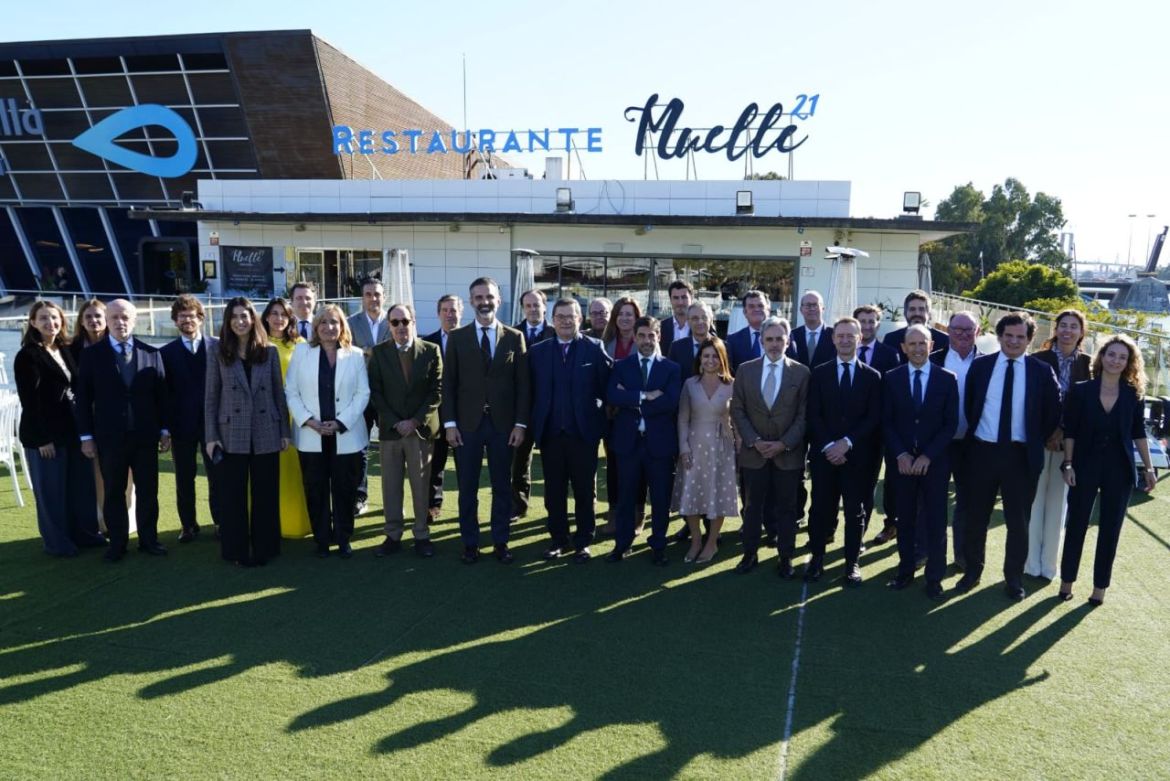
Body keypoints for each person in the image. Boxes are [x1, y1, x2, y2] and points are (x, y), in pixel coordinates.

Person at [957, 312, 1061, 601]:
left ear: (1029, 340)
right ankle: (972, 572)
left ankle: (1013, 579)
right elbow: (971, 406)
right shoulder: (980, 367)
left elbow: (1053, 410)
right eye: (1009, 336)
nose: (1014, 341)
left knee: (1018, 522)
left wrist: (1034, 438)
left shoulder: (1041, 371)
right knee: (976, 518)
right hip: (982, 452)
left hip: (1021, 456)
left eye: (1020, 337)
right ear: (1000, 337)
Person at [1058, 335, 1158, 606]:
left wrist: (1148, 468)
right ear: (1101, 357)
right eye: (1111, 354)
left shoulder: (1134, 395)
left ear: (1129, 363)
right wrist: (1068, 464)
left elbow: (1138, 434)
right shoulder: (1081, 390)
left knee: (1110, 530)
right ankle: (1067, 581)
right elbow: (1071, 431)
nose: (1116, 360)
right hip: (1083, 465)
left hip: (1120, 470)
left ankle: (1099, 588)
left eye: (1122, 357)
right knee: (1077, 524)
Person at [442, 277, 529, 564]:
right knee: (467, 487)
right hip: (467, 425)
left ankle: (501, 542)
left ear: (498, 300)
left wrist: (520, 424)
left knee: (502, 486)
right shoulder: (456, 338)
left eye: (489, 297)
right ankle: (470, 543)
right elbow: (449, 385)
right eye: (478, 297)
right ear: (471, 302)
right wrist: (450, 424)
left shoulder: (515, 337)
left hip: (504, 427)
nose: (484, 302)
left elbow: (523, 385)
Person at [74, 299, 170, 562]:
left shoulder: (152, 353)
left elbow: (162, 397)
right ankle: (117, 543)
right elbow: (83, 399)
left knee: (148, 490)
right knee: (114, 491)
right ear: (107, 320)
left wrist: (164, 430)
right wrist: (86, 437)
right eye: (114, 317)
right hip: (109, 438)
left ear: (134, 319)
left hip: (145, 437)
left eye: (125, 317)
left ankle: (149, 540)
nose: (120, 322)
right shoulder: (92, 356)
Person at [205, 297, 291, 567]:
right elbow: (211, 397)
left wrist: (284, 431)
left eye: (245, 316)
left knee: (266, 494)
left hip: (266, 430)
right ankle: (236, 550)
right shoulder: (218, 352)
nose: (240, 321)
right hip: (231, 433)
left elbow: (279, 394)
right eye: (234, 317)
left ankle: (265, 548)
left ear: (253, 319)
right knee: (233, 496)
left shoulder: (269, 352)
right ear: (228, 322)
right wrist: (210, 436)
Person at [15, 301, 104, 557]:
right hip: (46, 436)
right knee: (52, 492)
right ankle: (57, 542)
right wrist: (43, 439)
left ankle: (86, 535)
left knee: (80, 487)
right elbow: (29, 401)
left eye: (54, 318)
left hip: (73, 432)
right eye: (43, 318)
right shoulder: (28, 355)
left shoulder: (65, 349)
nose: (49, 323)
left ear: (62, 321)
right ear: (33, 323)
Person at [529, 299, 612, 562]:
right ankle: (558, 539)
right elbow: (530, 392)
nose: (566, 321)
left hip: (583, 435)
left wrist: (598, 422)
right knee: (554, 491)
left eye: (571, 316)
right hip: (551, 435)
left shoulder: (594, 348)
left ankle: (583, 541)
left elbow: (607, 388)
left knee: (584, 490)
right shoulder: (537, 352)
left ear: (580, 319)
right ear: (552, 320)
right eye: (561, 316)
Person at [285, 304, 370, 559]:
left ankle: (344, 538)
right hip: (312, 434)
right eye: (323, 323)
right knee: (316, 489)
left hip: (346, 435)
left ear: (342, 326)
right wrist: (308, 420)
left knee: (345, 490)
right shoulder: (302, 352)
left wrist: (341, 422)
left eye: (334, 322)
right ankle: (322, 540)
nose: (328, 328)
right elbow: (291, 391)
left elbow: (362, 393)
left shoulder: (354, 355)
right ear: (315, 327)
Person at [883, 325, 959, 600]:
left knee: (936, 521)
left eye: (922, 343)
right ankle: (905, 572)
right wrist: (901, 454)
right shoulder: (891, 378)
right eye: (911, 344)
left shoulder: (947, 379)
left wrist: (928, 455)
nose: (917, 348)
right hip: (902, 464)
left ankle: (934, 579)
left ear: (932, 345)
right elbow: (887, 422)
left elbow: (950, 424)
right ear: (903, 347)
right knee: (905, 520)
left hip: (934, 464)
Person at [729, 317, 810, 576]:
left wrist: (783, 444)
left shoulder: (801, 372)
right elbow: (737, 409)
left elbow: (804, 415)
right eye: (769, 339)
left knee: (787, 508)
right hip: (754, 454)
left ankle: (786, 557)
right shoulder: (745, 370)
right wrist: (755, 441)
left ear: (788, 341)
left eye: (779, 339)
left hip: (788, 455)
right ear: (762, 341)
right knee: (752, 507)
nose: (774, 344)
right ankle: (749, 554)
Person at [805, 317, 882, 585]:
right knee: (820, 509)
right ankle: (816, 560)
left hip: (856, 457)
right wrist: (829, 446)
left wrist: (846, 442)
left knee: (854, 511)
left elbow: (873, 418)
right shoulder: (819, 373)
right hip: (825, 457)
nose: (846, 340)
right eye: (841, 335)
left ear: (860, 338)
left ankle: (851, 564)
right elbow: (813, 415)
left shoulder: (872, 377)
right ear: (833, 338)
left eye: (851, 335)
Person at [606, 316, 681, 564]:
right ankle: (622, 544)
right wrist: (645, 396)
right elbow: (611, 396)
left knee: (660, 499)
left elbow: (670, 403)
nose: (647, 340)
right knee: (626, 497)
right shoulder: (621, 366)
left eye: (652, 335)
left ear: (659, 337)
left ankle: (658, 545)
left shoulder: (671, 368)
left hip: (659, 445)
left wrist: (630, 398)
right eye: (642, 335)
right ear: (635, 337)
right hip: (628, 444)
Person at [368, 303, 441, 558]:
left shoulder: (432, 351)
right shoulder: (378, 353)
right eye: (395, 322)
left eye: (405, 321)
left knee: (421, 485)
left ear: (413, 321)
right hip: (391, 432)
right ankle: (393, 535)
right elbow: (375, 391)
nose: (401, 327)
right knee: (391, 485)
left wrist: (415, 420)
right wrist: (395, 421)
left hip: (419, 432)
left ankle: (421, 534)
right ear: (389, 325)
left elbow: (436, 391)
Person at [1026, 309, 1091, 580]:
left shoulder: (1089, 364)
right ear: (1056, 329)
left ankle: (1049, 566)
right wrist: (1050, 430)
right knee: (1034, 501)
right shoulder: (1038, 359)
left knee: (1058, 504)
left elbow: (1088, 405)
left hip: (1071, 444)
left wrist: (1063, 431)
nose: (1067, 331)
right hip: (1040, 440)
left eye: (1073, 326)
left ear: (1081, 332)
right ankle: (1030, 563)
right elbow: (1031, 402)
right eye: (1063, 325)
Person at [160, 295, 221, 543]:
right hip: (181, 426)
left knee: (217, 476)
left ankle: (220, 522)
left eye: (192, 315)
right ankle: (188, 525)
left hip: (213, 425)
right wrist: (165, 429)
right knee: (184, 478)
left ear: (200, 318)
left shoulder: (217, 347)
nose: (187, 320)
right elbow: (163, 394)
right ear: (175, 321)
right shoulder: (165, 353)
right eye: (182, 316)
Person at [674, 338, 738, 564]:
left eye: (714, 356)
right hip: (693, 445)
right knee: (691, 492)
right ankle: (696, 541)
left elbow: (737, 420)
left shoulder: (732, 384)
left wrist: (739, 445)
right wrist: (683, 447)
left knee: (717, 493)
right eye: (706, 356)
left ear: (722, 360)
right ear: (700, 359)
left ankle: (712, 543)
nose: (710, 360)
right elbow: (682, 418)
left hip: (722, 447)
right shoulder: (690, 384)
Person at [69, 297, 130, 533]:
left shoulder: (119, 344)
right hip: (88, 423)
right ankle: (102, 523)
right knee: (97, 477)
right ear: (81, 322)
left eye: (98, 316)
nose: (94, 320)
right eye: (88, 317)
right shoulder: (71, 348)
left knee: (124, 477)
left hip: (120, 424)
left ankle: (125, 521)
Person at [929, 311, 983, 570]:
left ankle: (962, 555)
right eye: (957, 329)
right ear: (947, 330)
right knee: (932, 500)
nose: (962, 334)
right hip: (938, 443)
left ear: (978, 332)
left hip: (972, 446)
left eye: (968, 330)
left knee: (967, 502)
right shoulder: (932, 361)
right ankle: (926, 552)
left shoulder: (986, 364)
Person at [261, 297, 312, 539]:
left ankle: (296, 522)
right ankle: (268, 523)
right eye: (274, 313)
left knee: (295, 472)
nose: (278, 318)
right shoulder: (257, 344)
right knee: (269, 473)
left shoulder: (301, 345)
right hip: (266, 416)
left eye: (283, 313)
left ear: (290, 317)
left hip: (296, 415)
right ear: (266, 316)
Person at [853, 304, 900, 536]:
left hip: (875, 435)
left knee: (867, 487)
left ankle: (859, 535)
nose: (867, 326)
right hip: (843, 432)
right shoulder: (841, 349)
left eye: (872, 321)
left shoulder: (890, 355)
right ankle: (828, 529)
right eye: (863, 321)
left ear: (878, 325)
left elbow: (892, 396)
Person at [598, 296, 644, 534]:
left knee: (638, 466)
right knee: (614, 465)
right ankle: (615, 513)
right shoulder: (604, 344)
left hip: (639, 417)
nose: (625, 319)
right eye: (621, 314)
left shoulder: (647, 342)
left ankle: (637, 514)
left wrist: (626, 391)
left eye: (630, 314)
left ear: (637, 318)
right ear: (614, 318)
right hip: (612, 416)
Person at [348, 277, 390, 517]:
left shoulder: (395, 320)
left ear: (383, 296)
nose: (373, 298)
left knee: (391, 450)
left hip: (388, 395)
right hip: (359, 395)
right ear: (361, 297)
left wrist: (368, 353)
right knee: (360, 450)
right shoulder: (350, 323)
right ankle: (359, 497)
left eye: (377, 294)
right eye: (368, 294)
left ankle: (392, 499)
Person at [512, 288, 554, 520]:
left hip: (550, 410)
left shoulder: (556, 332)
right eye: (528, 305)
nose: (532, 309)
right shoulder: (511, 334)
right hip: (522, 410)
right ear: (523, 308)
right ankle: (518, 506)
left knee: (552, 463)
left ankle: (553, 508)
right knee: (519, 462)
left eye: (536, 305)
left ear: (544, 307)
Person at [422, 294, 463, 520]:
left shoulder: (472, 339)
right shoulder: (427, 344)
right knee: (435, 463)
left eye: (454, 310)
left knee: (465, 464)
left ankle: (467, 507)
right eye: (445, 310)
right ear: (438, 314)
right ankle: (433, 505)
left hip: (464, 413)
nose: (450, 314)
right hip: (435, 414)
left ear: (461, 313)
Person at [882, 290, 950, 363]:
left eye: (921, 309)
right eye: (912, 309)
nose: (917, 313)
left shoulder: (944, 341)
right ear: (905, 313)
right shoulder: (891, 340)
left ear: (929, 314)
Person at [667, 301, 717, 381]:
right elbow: (670, 377)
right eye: (695, 318)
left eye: (704, 317)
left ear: (710, 320)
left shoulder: (723, 347)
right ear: (688, 322)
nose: (700, 322)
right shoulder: (676, 347)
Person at [787, 290, 836, 368]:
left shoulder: (835, 334)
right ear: (801, 309)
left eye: (815, 305)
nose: (812, 309)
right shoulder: (792, 335)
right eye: (808, 305)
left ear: (823, 308)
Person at [727, 290, 770, 373]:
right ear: (744, 312)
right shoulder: (732, 341)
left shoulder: (782, 337)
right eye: (751, 306)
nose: (756, 309)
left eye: (760, 306)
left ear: (768, 309)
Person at [659, 279, 694, 353]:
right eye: (676, 298)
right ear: (670, 300)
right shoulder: (661, 327)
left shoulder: (701, 325)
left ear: (692, 298)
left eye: (684, 297)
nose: (680, 302)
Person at [602, 296, 641, 361]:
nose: (624, 318)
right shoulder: (606, 341)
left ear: (636, 317)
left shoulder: (647, 340)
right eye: (620, 314)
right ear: (615, 317)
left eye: (628, 314)